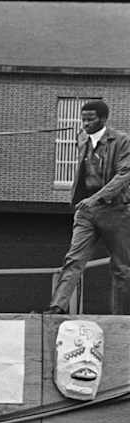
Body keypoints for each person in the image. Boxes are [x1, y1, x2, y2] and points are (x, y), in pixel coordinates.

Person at [47, 100, 130, 315]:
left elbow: (124, 174)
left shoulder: (121, 141)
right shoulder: (82, 138)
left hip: (116, 211)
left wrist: (97, 198)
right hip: (86, 212)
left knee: (122, 268)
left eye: (90, 119)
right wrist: (84, 201)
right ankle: (57, 308)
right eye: (83, 119)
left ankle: (121, 319)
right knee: (73, 260)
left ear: (103, 119)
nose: (85, 123)